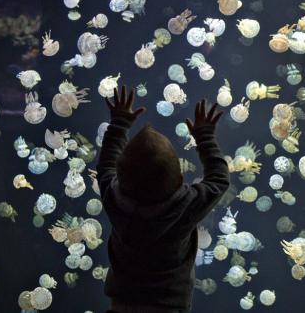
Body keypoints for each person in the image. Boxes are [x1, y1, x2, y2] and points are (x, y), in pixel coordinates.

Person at [97, 86, 229, 313]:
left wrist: (119, 124)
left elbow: (106, 165)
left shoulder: (114, 200)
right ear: (180, 178)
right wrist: (204, 137)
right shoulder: (185, 207)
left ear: (121, 177)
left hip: (121, 307)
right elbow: (219, 180)